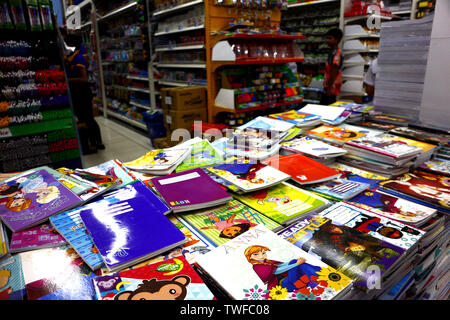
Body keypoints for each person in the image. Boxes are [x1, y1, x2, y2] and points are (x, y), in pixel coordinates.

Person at [64, 34, 104, 154]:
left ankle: (93, 143)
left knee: (86, 118)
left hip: (82, 92)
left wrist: (68, 80)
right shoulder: (71, 57)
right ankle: (97, 142)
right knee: (87, 117)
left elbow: (84, 78)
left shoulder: (79, 58)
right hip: (77, 92)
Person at [321, 28, 343, 105]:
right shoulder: (332, 52)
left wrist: (329, 88)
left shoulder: (336, 54)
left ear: (336, 40)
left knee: (328, 106)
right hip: (329, 86)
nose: (327, 40)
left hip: (332, 87)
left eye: (330, 38)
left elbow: (334, 71)